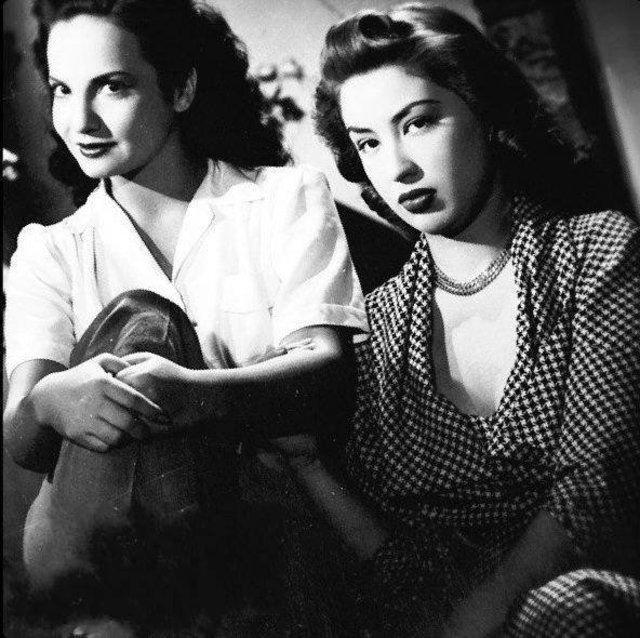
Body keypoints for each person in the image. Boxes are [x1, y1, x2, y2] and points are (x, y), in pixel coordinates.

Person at [271, 4, 640, 636]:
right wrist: (309, 467)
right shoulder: (374, 327)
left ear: (487, 115)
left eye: (418, 123)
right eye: (368, 142)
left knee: (567, 609)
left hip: (594, 598)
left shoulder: (599, 253)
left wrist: (472, 622)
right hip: (447, 618)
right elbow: (403, 564)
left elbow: (593, 491)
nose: (397, 166)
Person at [2, 0, 367, 634]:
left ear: (181, 88)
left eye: (112, 86)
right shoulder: (51, 250)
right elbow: (22, 438)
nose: (80, 120)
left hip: (273, 544)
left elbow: (328, 375)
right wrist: (50, 403)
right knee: (136, 321)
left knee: (147, 324)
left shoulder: (282, 199)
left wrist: (191, 395)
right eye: (62, 90)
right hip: (115, 555)